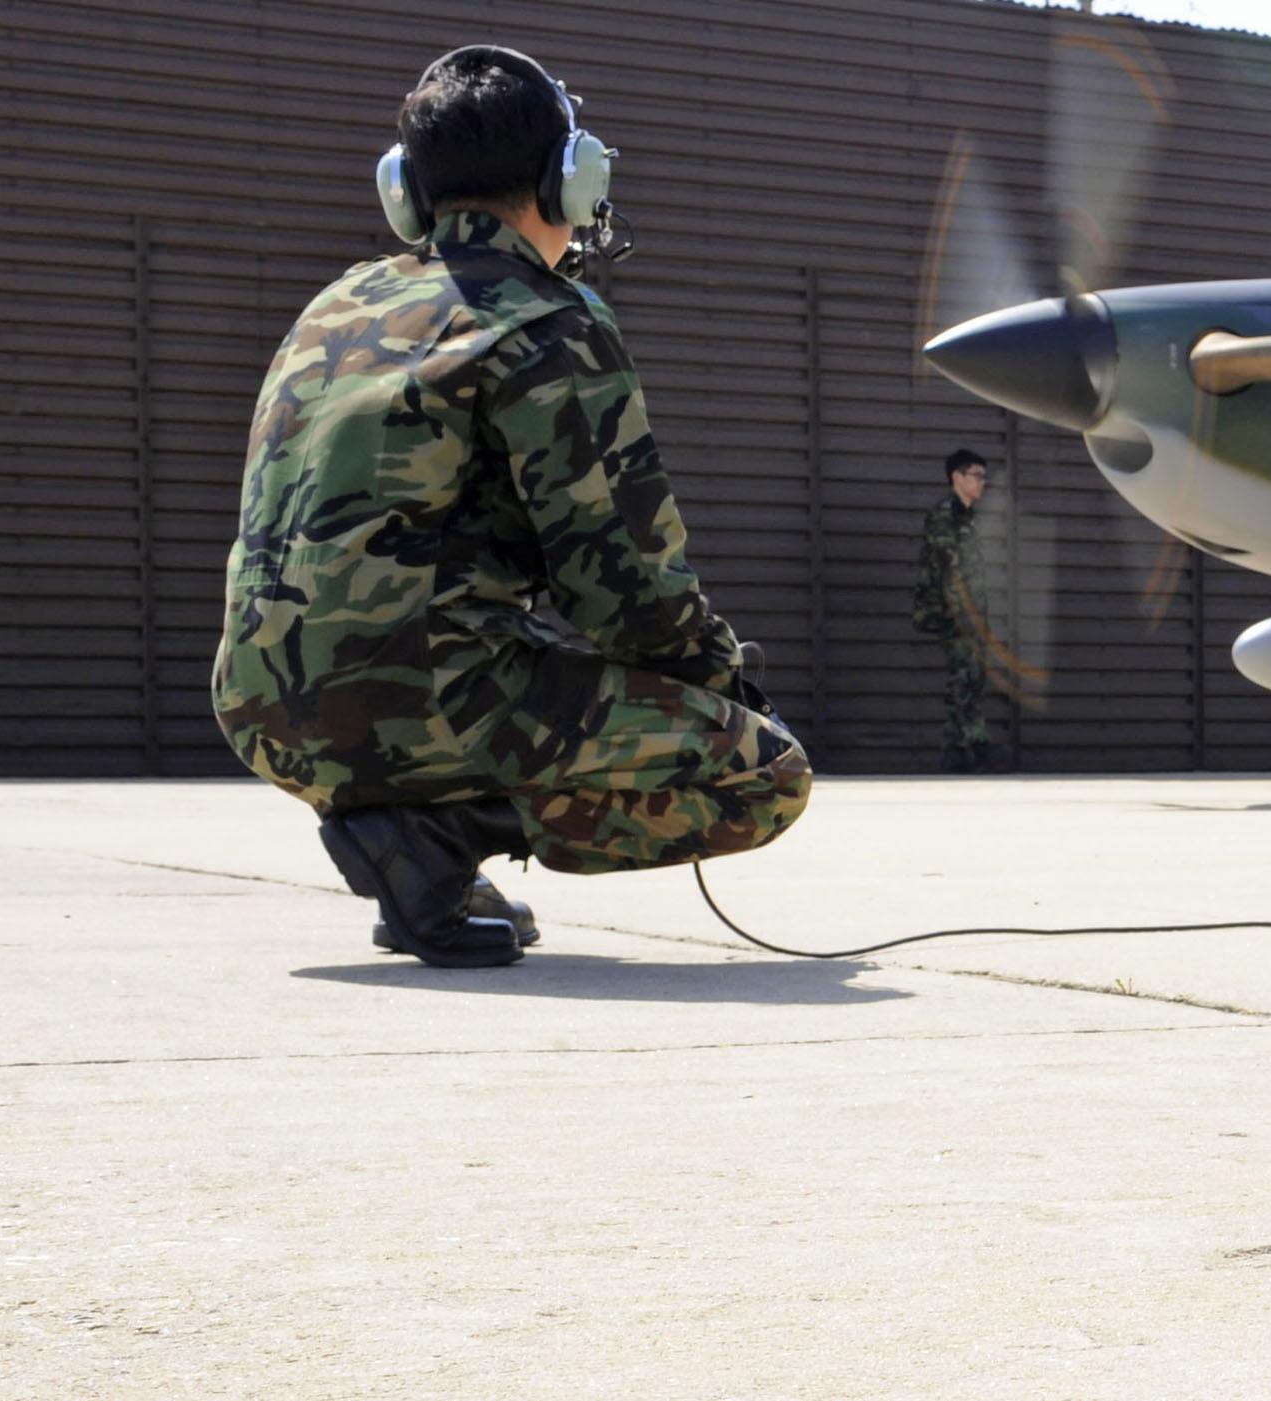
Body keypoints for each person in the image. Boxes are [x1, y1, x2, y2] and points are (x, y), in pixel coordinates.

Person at [212, 45, 809, 969]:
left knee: (484, 647)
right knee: (767, 772)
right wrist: (718, 681)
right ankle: (436, 834)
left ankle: (419, 854)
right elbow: (625, 582)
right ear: (569, 179)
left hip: (261, 712)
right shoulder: (549, 317)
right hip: (421, 704)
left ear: (407, 190)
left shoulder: (333, 307)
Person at [914, 449, 1007, 773]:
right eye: (976, 475)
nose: (982, 482)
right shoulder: (945, 516)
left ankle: (954, 751)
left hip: (969, 613)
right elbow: (948, 570)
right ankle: (977, 744)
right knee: (967, 677)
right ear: (957, 477)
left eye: (984, 476)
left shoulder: (967, 517)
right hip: (954, 613)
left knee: (966, 676)